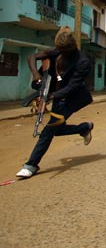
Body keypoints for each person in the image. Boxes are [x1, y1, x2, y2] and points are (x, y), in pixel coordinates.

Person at [16, 26, 94, 179]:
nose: (62, 54)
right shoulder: (56, 51)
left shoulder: (82, 62)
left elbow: (72, 87)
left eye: (65, 52)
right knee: (56, 129)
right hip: (57, 95)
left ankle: (31, 165)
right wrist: (35, 74)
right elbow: (31, 57)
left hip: (73, 98)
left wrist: (50, 96)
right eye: (60, 51)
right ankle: (84, 127)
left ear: (72, 47)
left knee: (49, 130)